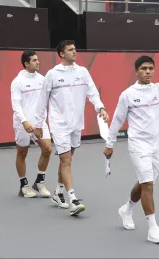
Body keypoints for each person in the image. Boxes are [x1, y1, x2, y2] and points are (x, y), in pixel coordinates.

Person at [103, 52, 159, 243]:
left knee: (145, 182)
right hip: (137, 145)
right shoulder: (127, 95)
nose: (148, 72)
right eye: (144, 69)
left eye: (150, 68)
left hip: (156, 146)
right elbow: (117, 120)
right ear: (136, 72)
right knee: (148, 184)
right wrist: (110, 144)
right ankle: (153, 228)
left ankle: (126, 209)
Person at [34, 40, 109, 216]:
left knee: (66, 160)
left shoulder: (83, 72)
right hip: (59, 124)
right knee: (66, 161)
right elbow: (42, 101)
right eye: (70, 50)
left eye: (75, 49)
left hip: (76, 124)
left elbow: (92, 92)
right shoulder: (52, 75)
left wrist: (101, 108)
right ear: (61, 54)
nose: (74, 52)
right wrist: (38, 125)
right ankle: (72, 199)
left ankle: (58, 192)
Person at [10, 50, 52, 198]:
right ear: (26, 64)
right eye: (34, 60)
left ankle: (39, 182)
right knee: (22, 153)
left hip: (39, 123)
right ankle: (23, 186)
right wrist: (24, 121)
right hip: (23, 123)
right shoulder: (17, 82)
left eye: (38, 59)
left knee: (47, 149)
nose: (38, 62)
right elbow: (16, 104)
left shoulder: (43, 79)